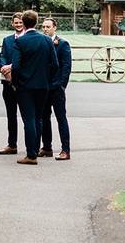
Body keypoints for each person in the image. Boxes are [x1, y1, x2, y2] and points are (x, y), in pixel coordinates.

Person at [6, 10, 58, 165]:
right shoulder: (47, 41)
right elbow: (54, 64)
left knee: (28, 119)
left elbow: (15, 67)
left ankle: (31, 154)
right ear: (36, 22)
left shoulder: (20, 42)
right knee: (38, 118)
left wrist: (15, 83)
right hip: (43, 85)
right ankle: (34, 150)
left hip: (25, 86)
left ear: (24, 22)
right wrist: (47, 80)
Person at [40, 18, 72, 160]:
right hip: (43, 87)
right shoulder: (41, 43)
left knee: (61, 118)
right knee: (44, 118)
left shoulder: (63, 44)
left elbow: (66, 66)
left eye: (48, 27)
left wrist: (62, 85)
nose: (45, 29)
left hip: (57, 87)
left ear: (55, 28)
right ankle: (47, 147)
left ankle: (65, 150)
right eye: (43, 27)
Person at [0, 13, 24, 155]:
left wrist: (11, 67)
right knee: (11, 116)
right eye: (16, 23)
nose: (18, 25)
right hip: (7, 82)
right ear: (12, 24)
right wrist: (4, 67)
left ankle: (32, 145)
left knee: (27, 116)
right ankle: (12, 144)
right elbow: (2, 55)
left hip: (23, 83)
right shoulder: (7, 40)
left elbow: (27, 60)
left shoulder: (28, 40)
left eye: (20, 22)